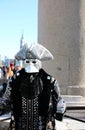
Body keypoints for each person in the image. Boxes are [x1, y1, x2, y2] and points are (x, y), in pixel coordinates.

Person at [9, 43, 66, 130]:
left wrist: (59, 111)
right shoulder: (14, 80)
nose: (31, 64)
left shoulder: (50, 81)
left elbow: (58, 99)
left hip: (42, 125)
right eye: (28, 61)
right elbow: (6, 99)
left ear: (38, 62)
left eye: (34, 61)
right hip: (20, 124)